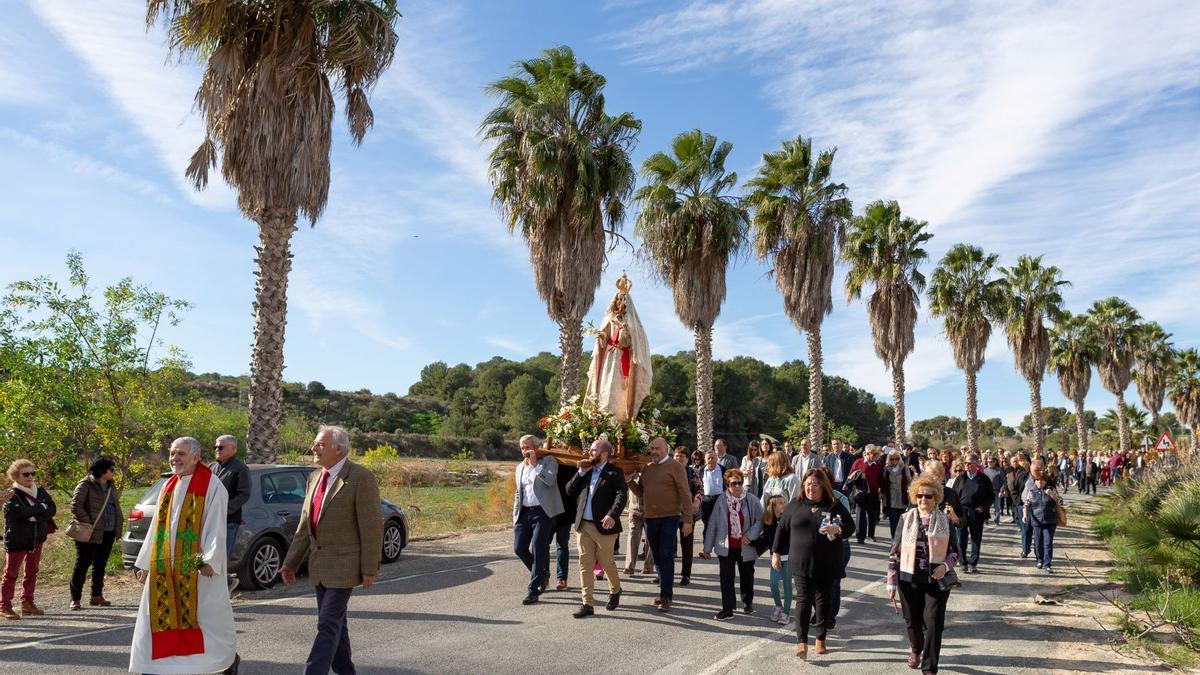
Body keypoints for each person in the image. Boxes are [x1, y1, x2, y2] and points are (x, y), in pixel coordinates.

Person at [129, 438, 237, 674]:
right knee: (159, 615)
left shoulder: (212, 485)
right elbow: (156, 529)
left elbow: (216, 524)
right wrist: (146, 563)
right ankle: (158, 667)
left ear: (196, 457)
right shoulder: (168, 485)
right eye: (172, 453)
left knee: (203, 618)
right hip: (165, 568)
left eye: (181, 454)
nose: (174, 458)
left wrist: (208, 559)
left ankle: (221, 662)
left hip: (196, 569)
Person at [281, 425, 383, 675]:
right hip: (319, 566)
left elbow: (371, 528)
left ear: (338, 449)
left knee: (327, 625)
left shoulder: (360, 477)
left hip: (345, 566)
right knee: (337, 624)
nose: (314, 448)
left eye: (320, 444)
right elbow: (305, 526)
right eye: (315, 443)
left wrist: (370, 568)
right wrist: (290, 562)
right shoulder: (314, 478)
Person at [773, 469, 854, 659]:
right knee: (803, 599)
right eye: (808, 484)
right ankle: (801, 642)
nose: (811, 488)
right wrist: (775, 552)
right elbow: (782, 530)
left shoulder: (833, 504)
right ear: (803, 485)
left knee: (823, 600)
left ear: (823, 486)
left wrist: (838, 528)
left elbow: (851, 526)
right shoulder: (795, 504)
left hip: (827, 562)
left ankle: (821, 638)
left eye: (815, 485)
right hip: (801, 562)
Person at [887, 473, 960, 675]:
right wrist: (891, 582)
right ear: (914, 496)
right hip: (908, 578)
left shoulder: (945, 520)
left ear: (936, 497)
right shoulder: (905, 518)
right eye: (919, 495)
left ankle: (929, 668)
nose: (923, 500)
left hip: (935, 580)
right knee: (912, 621)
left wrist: (944, 566)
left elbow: (955, 552)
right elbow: (895, 551)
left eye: (928, 496)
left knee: (933, 622)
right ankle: (916, 648)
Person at [565, 438, 627, 618]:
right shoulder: (586, 470)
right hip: (583, 525)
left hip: (604, 526)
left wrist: (612, 515)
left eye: (593, 450)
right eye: (590, 450)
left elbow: (621, 495)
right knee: (585, 564)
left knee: (607, 562)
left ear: (605, 454)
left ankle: (615, 590)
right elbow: (569, 491)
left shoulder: (615, 473)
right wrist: (580, 473)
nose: (590, 453)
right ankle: (587, 603)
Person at [631, 437, 692, 612]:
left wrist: (688, 520)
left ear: (666, 449)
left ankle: (666, 596)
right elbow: (641, 491)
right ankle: (663, 590)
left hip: (670, 517)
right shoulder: (647, 468)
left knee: (666, 554)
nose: (654, 451)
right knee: (656, 555)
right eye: (652, 448)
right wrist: (629, 481)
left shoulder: (676, 467)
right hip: (650, 518)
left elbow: (685, 494)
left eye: (657, 448)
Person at [701, 468, 763, 621]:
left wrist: (750, 535)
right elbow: (713, 524)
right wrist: (707, 548)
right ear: (727, 485)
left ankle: (747, 601)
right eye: (733, 483)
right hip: (726, 546)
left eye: (739, 482)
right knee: (726, 578)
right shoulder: (721, 501)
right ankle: (727, 609)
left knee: (747, 575)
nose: (737, 486)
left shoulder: (751, 500)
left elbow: (761, 521)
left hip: (745, 546)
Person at [512, 434, 564, 605]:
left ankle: (533, 590)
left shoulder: (548, 461)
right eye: (522, 448)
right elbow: (518, 494)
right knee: (519, 548)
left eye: (528, 447)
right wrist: (515, 517)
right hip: (524, 512)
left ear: (536, 448)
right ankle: (542, 574)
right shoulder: (519, 467)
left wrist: (535, 465)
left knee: (538, 547)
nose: (525, 450)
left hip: (543, 512)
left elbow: (551, 481)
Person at [2, 459, 56, 620]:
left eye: (33, 473)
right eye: (26, 474)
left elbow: (52, 509)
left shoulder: (39, 490)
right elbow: (17, 513)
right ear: (16, 476)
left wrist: (34, 514)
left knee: (32, 572)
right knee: (10, 574)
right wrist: (41, 509)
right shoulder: (11, 494)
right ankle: (4, 605)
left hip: (36, 537)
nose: (30, 476)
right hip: (17, 539)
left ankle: (27, 602)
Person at [69, 457, 123, 611]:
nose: (114, 472)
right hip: (90, 532)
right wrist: (89, 523)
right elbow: (76, 506)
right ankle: (75, 599)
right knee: (82, 565)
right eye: (111, 469)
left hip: (108, 531)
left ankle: (96, 596)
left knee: (100, 565)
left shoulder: (111, 486)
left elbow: (114, 506)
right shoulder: (85, 484)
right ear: (102, 470)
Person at [209, 435, 251, 593]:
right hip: (210, 519)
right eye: (215, 447)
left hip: (228, 521)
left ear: (233, 449)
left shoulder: (240, 469)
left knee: (220, 556)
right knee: (209, 555)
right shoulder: (212, 467)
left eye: (221, 447)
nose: (217, 450)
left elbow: (244, 495)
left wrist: (224, 509)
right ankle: (225, 583)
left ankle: (222, 586)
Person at [952, 452, 994, 574]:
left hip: (977, 513)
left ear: (976, 464)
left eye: (968, 463)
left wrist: (983, 507)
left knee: (976, 538)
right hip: (962, 512)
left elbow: (991, 496)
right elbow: (954, 495)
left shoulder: (983, 478)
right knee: (961, 538)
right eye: (965, 463)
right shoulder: (960, 478)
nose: (966, 465)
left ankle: (973, 562)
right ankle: (963, 562)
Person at [673, 445, 702, 586]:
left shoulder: (692, 472)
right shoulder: (668, 470)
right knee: (668, 545)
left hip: (687, 514)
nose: (679, 459)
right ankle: (664, 574)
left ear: (686, 459)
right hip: (670, 513)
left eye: (682, 457)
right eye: (676, 456)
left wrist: (696, 502)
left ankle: (686, 574)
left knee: (687, 545)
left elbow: (699, 489)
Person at [761, 495, 792, 626]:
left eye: (784, 502)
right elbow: (767, 540)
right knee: (773, 583)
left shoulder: (789, 520)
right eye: (780, 503)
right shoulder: (768, 522)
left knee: (787, 584)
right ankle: (778, 606)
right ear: (773, 506)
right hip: (775, 557)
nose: (784, 505)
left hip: (788, 557)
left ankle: (786, 612)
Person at [1024, 471, 1063, 573]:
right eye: (1037, 481)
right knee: (1038, 541)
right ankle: (1040, 559)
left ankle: (1047, 564)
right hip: (1037, 521)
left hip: (1050, 521)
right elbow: (1026, 505)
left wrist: (1052, 495)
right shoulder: (1032, 492)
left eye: (1042, 481)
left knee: (1048, 542)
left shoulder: (1051, 490)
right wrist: (1024, 515)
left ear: (1045, 481)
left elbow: (1060, 502)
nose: (1039, 483)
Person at [622, 471, 655, 578]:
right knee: (632, 536)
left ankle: (648, 566)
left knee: (650, 539)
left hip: (651, 510)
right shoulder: (631, 468)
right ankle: (629, 566)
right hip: (634, 509)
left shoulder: (653, 468)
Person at [849, 445, 883, 543]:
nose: (876, 455)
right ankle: (860, 537)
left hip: (873, 493)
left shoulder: (878, 464)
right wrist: (859, 477)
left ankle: (871, 535)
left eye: (877, 453)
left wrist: (882, 491)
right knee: (860, 514)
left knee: (872, 515)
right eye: (874, 454)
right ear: (867, 454)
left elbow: (881, 478)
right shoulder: (858, 462)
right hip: (860, 492)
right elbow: (851, 475)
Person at [553, 460, 578, 591]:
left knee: (562, 546)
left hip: (565, 511)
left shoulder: (571, 464)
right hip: (548, 511)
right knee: (541, 545)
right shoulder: (547, 461)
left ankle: (561, 578)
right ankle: (543, 575)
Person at [881, 450, 912, 540]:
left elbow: (909, 481)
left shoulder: (904, 468)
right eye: (892, 459)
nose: (894, 461)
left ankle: (902, 537)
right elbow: (883, 482)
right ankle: (894, 537)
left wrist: (910, 493)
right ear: (889, 459)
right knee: (893, 519)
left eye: (897, 459)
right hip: (890, 497)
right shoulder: (886, 469)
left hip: (902, 497)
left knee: (901, 519)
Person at [699, 450, 726, 526]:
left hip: (720, 500)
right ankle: (707, 538)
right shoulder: (701, 470)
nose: (711, 460)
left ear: (716, 458)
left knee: (719, 524)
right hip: (706, 501)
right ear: (705, 459)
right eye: (709, 458)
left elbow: (727, 485)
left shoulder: (723, 469)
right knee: (707, 524)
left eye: (713, 458)